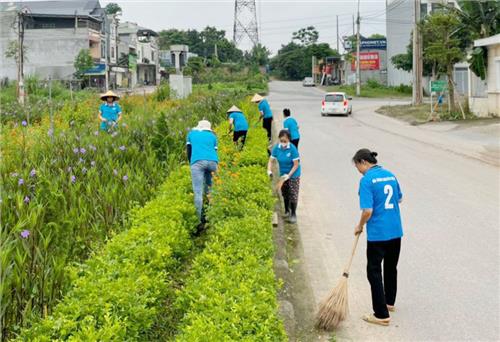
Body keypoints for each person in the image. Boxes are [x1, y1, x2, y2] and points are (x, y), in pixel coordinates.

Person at [352, 148, 404, 326]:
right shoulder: (390, 174)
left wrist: (360, 225)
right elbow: (399, 199)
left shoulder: (366, 180)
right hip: (395, 230)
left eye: (357, 166)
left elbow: (367, 210)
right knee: (391, 267)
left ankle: (381, 315)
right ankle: (389, 302)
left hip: (378, 234)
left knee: (373, 271)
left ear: (362, 162)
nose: (358, 170)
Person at [186, 120, 218, 221]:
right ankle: (210, 215)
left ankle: (198, 220)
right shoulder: (213, 136)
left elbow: (189, 151)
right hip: (213, 162)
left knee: (198, 192)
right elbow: (215, 151)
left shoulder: (191, 134)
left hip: (197, 162)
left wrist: (191, 162)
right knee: (211, 189)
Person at [267, 130, 301, 223]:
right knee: (285, 192)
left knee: (293, 193)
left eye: (285, 141)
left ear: (289, 140)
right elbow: (271, 160)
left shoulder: (293, 149)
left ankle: (293, 214)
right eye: (281, 140)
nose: (283, 143)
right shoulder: (276, 148)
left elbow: (296, 164)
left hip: (294, 173)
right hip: (283, 173)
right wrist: (269, 170)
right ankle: (287, 210)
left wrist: (289, 175)